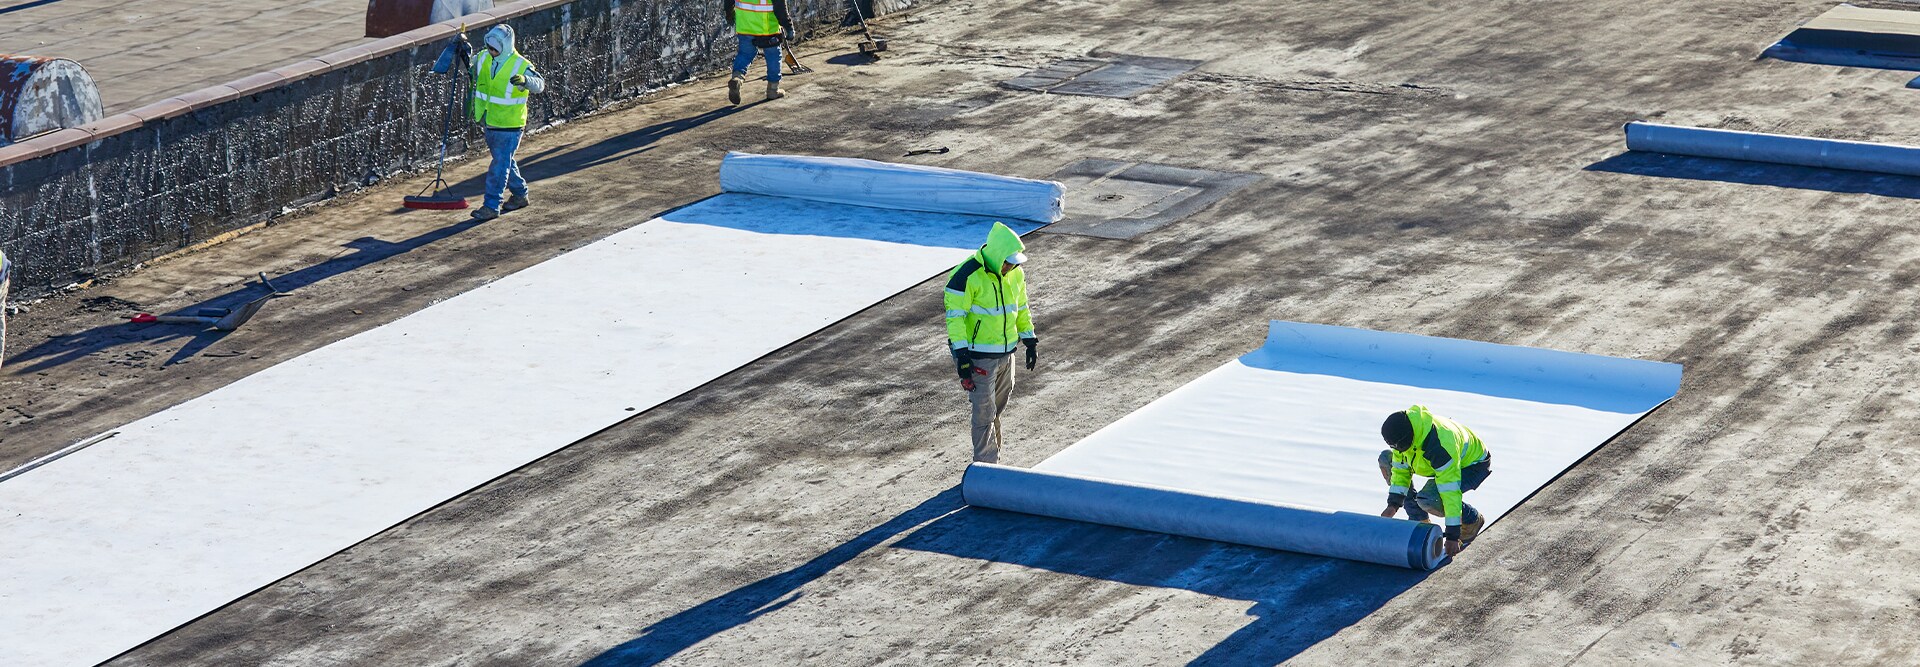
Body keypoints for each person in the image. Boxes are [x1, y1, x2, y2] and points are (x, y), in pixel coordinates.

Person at [944, 222, 1038, 464]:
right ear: (996, 256)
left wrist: (1029, 338)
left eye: (1014, 262)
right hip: (978, 357)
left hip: (1007, 354)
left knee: (997, 406)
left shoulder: (1015, 272)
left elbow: (1022, 307)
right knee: (984, 412)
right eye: (1008, 261)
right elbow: (955, 318)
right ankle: (987, 467)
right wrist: (962, 356)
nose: (1011, 266)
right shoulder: (966, 276)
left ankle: (993, 460)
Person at [1378, 405, 1492, 556]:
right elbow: (1400, 471)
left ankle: (1472, 520)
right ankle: (1419, 521)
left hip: (1472, 466)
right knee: (1387, 459)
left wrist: (1452, 535)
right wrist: (1393, 504)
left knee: (1429, 498)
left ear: (1408, 440)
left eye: (1399, 448)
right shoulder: (1404, 432)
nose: (1398, 451)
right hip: (1430, 462)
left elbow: (1450, 491)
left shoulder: (1440, 446)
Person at [466, 24, 546, 221]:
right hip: (490, 120)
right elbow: (471, 68)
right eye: (489, 47)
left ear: (505, 46)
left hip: (510, 125)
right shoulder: (484, 56)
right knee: (505, 162)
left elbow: (540, 84)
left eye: (495, 49)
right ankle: (520, 195)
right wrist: (463, 51)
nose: (491, 52)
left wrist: (525, 80)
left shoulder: (520, 64)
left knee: (499, 166)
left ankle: (491, 205)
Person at [724, 0, 793, 104]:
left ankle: (737, 78)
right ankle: (773, 90)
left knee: (745, 54)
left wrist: (729, 14)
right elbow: (780, 7)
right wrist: (789, 27)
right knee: (773, 56)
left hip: (745, 26)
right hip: (767, 28)